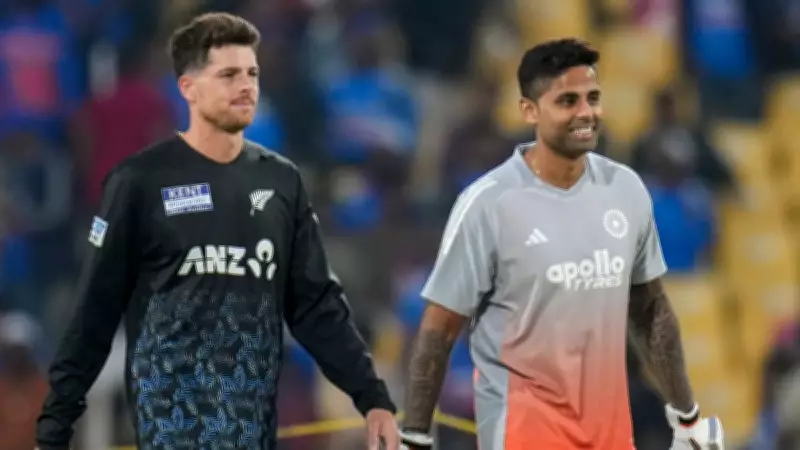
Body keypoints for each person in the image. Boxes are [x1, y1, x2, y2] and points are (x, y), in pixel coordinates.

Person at [35, 12, 399, 450]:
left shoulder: (281, 182)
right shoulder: (139, 183)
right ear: (188, 88)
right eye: (228, 75)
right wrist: (54, 427)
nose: (245, 87)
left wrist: (371, 397)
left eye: (251, 74)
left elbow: (316, 305)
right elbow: (94, 312)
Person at [398, 39, 724, 450]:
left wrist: (687, 417)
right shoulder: (487, 204)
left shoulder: (625, 189)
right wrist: (415, 435)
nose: (585, 112)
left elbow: (652, 312)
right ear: (529, 111)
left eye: (592, 98)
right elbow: (438, 330)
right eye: (567, 101)